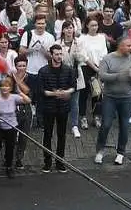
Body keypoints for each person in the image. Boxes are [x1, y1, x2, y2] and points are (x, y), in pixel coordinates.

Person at [95, 38, 131, 165]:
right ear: (121, 46)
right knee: (106, 124)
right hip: (110, 97)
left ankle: (121, 152)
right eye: (128, 46)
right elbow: (102, 75)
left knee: (124, 126)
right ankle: (100, 150)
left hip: (127, 97)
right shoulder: (108, 58)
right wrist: (118, 76)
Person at [38, 44, 76, 173]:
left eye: (61, 54)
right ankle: (47, 162)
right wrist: (56, 94)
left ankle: (60, 161)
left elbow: (73, 86)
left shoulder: (69, 70)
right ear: (51, 55)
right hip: (49, 107)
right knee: (47, 135)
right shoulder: (43, 71)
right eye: (56, 54)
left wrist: (66, 92)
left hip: (63, 108)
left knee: (62, 135)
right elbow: (41, 91)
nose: (59, 57)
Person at [0, 75, 31, 179]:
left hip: (11, 127)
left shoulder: (14, 98)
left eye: (7, 86)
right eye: (2, 86)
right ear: (0, 88)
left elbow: (28, 100)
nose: (4, 88)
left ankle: (9, 167)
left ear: (11, 88)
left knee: (10, 148)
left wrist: (20, 92)